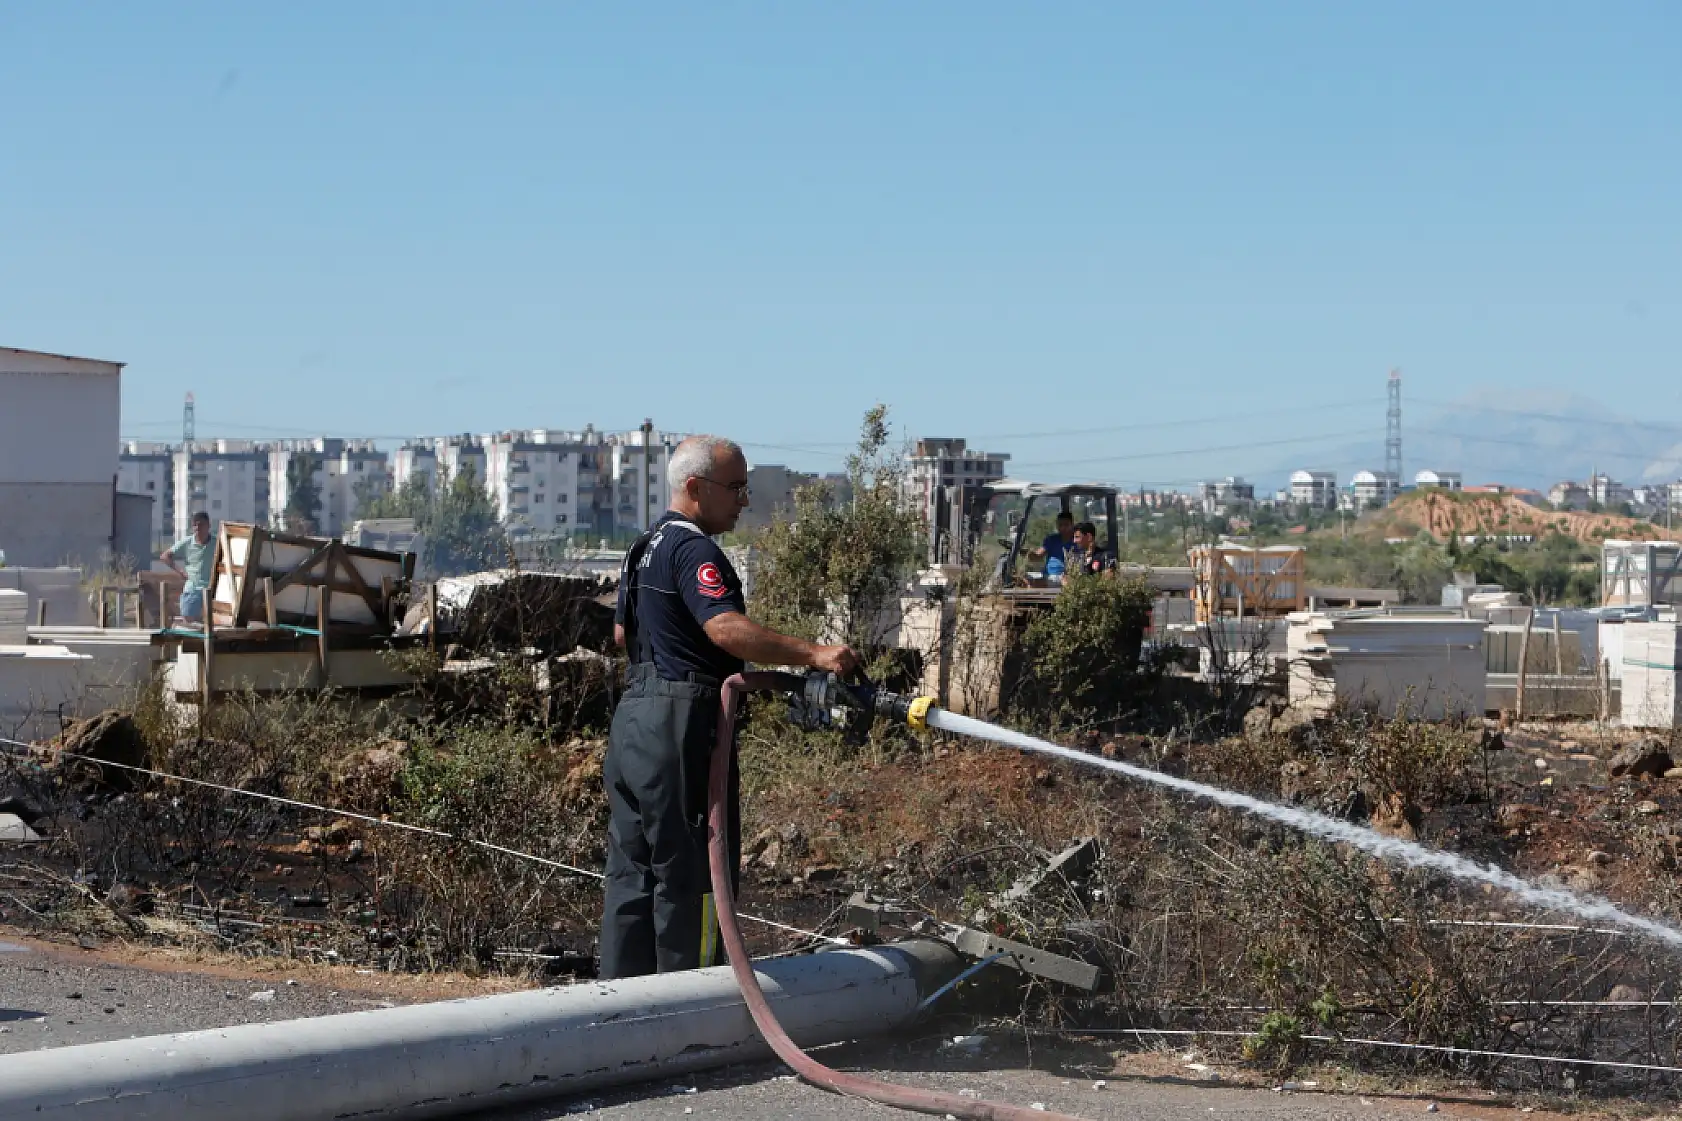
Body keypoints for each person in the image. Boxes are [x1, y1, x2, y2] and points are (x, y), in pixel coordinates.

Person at [601, 435, 859, 980]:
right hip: (680, 720)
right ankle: (688, 1009)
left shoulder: (641, 546)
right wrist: (814, 653)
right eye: (736, 488)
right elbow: (724, 628)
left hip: (632, 720)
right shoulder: (694, 550)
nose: (744, 500)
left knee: (632, 873)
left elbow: (623, 634)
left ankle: (616, 1013)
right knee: (692, 875)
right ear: (695, 488)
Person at [161, 512, 215, 624]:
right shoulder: (187, 542)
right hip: (193, 587)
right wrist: (180, 571)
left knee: (214, 622)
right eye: (195, 525)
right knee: (188, 620)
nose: (198, 528)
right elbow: (165, 556)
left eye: (201, 525)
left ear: (208, 525)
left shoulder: (217, 542)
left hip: (211, 588)